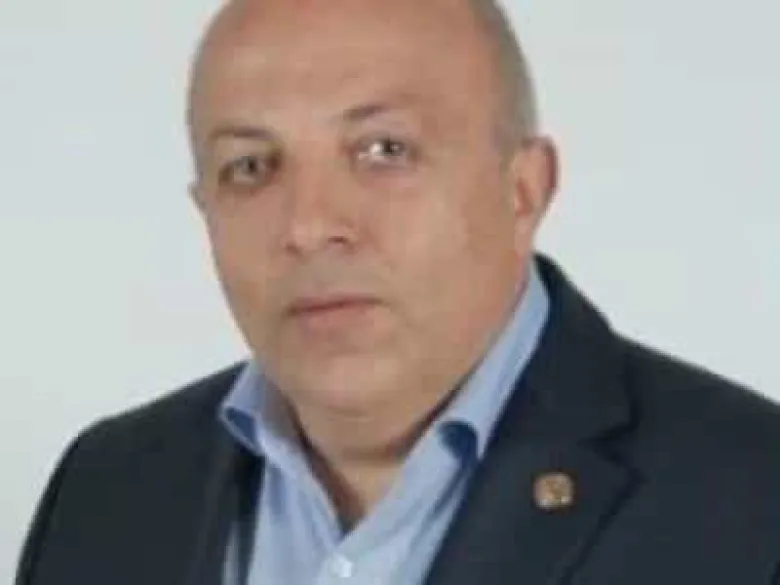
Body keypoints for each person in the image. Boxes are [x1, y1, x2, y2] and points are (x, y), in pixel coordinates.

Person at [15, 0, 780, 583]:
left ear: (523, 190)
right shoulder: (105, 490)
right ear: (204, 210)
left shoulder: (752, 499)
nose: (310, 225)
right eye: (251, 166)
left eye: (384, 150)